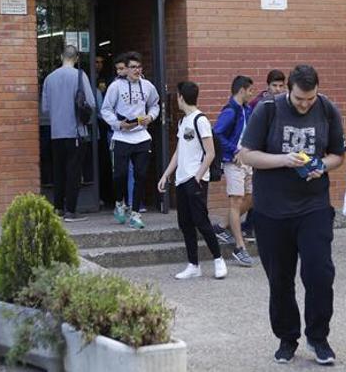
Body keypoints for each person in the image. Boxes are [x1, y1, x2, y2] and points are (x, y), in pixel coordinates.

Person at [239, 65, 346, 366]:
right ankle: (287, 338)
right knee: (280, 279)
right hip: (272, 211)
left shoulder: (327, 109)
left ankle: (318, 337)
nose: (304, 105)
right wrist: (284, 160)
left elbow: (338, 154)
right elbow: (246, 154)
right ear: (289, 89)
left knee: (320, 273)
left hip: (313, 207)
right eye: (299, 99)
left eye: (309, 99)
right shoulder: (268, 110)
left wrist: (322, 166)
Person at [157, 81, 228, 280]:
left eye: (177, 95)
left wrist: (198, 176)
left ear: (181, 97)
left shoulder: (200, 120)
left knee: (201, 221)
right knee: (185, 223)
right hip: (181, 179)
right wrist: (166, 174)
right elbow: (179, 152)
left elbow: (210, 153)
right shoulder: (183, 122)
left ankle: (218, 259)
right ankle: (193, 264)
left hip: (195, 179)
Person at [101, 51, 160, 229]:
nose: (136, 70)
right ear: (125, 69)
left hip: (142, 136)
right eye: (133, 67)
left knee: (141, 175)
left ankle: (135, 213)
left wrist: (151, 116)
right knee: (119, 174)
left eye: (139, 67)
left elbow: (155, 104)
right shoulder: (115, 86)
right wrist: (119, 124)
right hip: (122, 136)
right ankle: (120, 202)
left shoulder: (148, 85)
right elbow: (106, 110)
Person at [40, 45, 95, 222]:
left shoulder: (49, 78)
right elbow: (91, 103)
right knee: (73, 171)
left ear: (61, 56)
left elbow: (45, 108)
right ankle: (71, 210)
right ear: (77, 58)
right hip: (76, 132)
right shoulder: (80, 75)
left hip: (56, 132)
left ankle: (57, 208)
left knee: (59, 171)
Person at [213, 75, 255, 267]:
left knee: (251, 198)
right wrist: (233, 149)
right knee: (236, 202)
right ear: (242, 90)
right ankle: (240, 247)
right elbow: (217, 133)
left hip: (247, 160)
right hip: (233, 162)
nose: (252, 94)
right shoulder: (230, 111)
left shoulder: (247, 109)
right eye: (250, 90)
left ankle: (222, 226)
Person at [243, 69, 287, 240]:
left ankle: (250, 225)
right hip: (259, 152)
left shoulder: (285, 102)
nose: (277, 89)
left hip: (277, 153)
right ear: (267, 86)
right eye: (274, 86)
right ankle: (248, 226)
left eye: (280, 86)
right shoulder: (258, 104)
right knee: (259, 190)